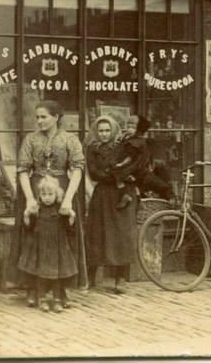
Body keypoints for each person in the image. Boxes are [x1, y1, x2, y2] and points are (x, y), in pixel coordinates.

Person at [9, 100, 86, 305]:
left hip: (62, 190)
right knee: (33, 239)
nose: (39, 121)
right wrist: (29, 199)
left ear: (56, 117)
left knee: (62, 241)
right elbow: (23, 170)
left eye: (43, 116)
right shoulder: (30, 139)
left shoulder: (70, 139)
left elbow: (78, 169)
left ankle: (61, 289)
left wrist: (68, 199)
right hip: (36, 189)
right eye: (37, 117)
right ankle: (33, 287)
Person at [84, 116, 136, 294]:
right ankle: (91, 277)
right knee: (96, 234)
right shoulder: (92, 149)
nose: (104, 134)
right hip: (102, 194)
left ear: (113, 131)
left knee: (120, 235)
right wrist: (114, 175)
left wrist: (116, 174)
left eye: (107, 130)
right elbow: (93, 173)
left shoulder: (123, 147)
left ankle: (120, 278)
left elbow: (131, 167)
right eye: (101, 131)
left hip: (121, 195)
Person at [18, 176, 78, 312]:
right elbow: (29, 228)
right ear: (39, 195)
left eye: (50, 194)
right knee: (41, 273)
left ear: (57, 194)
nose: (47, 197)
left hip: (57, 247)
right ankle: (42, 298)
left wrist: (72, 216)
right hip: (41, 247)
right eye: (43, 194)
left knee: (56, 274)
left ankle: (57, 299)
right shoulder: (37, 209)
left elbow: (69, 228)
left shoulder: (60, 209)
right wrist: (27, 215)